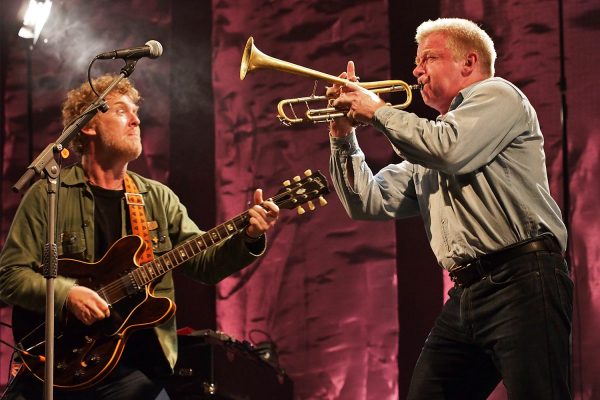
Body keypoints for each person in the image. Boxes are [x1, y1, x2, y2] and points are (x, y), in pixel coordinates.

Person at [327, 18, 572, 399]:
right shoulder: (429, 145)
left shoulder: (498, 95)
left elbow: (450, 148)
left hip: (522, 278)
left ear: (468, 63)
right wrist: (343, 137)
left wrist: (377, 111)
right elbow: (367, 202)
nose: (415, 70)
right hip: (466, 293)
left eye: (428, 58)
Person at [0, 74, 279, 399]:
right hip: (58, 360)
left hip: (135, 370)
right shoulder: (49, 194)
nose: (135, 120)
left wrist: (247, 236)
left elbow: (205, 264)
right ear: (88, 125)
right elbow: (9, 277)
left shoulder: (156, 199)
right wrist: (67, 294)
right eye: (121, 111)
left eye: (136, 113)